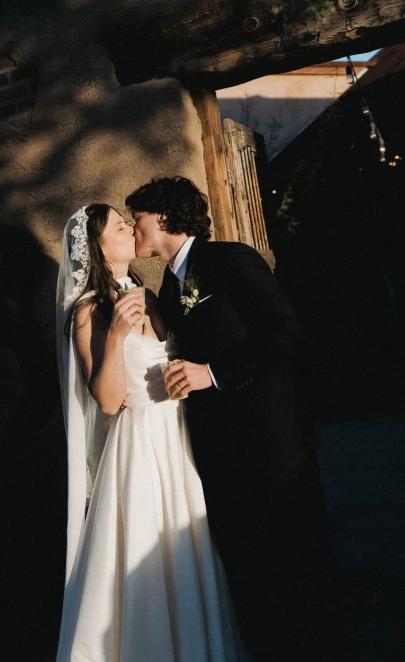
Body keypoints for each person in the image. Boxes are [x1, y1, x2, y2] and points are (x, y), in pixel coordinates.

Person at [125, 176, 349, 662]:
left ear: (163, 217)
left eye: (136, 216)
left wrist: (213, 374)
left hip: (272, 445)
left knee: (301, 573)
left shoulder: (228, 259)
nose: (131, 226)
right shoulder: (167, 286)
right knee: (256, 580)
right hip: (223, 455)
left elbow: (286, 332)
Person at [56, 203, 248, 661]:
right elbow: (106, 400)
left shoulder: (149, 293)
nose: (129, 228)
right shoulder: (89, 311)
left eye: (127, 222)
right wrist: (118, 337)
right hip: (139, 445)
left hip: (177, 438)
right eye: (119, 227)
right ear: (99, 249)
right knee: (148, 553)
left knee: (186, 551)